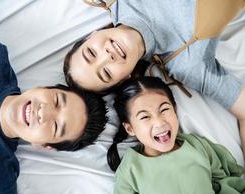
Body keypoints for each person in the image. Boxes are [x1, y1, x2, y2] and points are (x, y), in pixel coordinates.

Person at [0, 10, 107, 194]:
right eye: (55, 100)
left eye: (56, 126)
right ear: (44, 88)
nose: (44, 113)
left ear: (45, 145)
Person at [63, 0, 245, 155]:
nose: (107, 56)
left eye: (91, 53)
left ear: (91, 35)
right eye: (106, 73)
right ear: (124, 79)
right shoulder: (187, 64)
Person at [107, 76, 245, 194]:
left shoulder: (197, 146)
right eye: (145, 117)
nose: (160, 122)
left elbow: (221, 181)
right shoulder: (130, 169)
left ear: (175, 110)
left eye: (164, 109)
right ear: (130, 128)